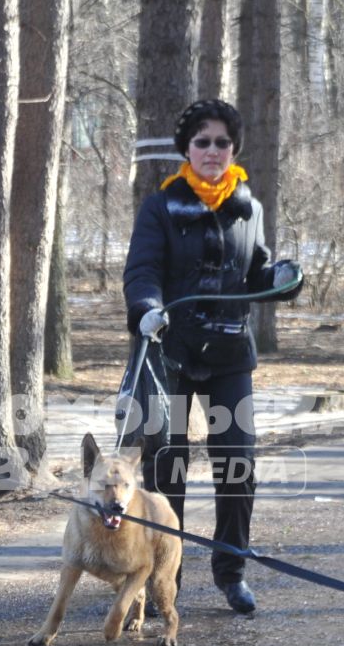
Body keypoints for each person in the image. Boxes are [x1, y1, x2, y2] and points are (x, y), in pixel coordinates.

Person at [123, 98, 301, 616]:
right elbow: (142, 270)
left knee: (238, 463)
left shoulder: (249, 205)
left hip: (229, 354)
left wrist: (282, 278)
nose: (213, 151)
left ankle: (232, 571)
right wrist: (147, 309)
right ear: (186, 148)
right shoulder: (161, 205)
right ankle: (162, 577)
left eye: (222, 142)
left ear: (234, 149)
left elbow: (258, 271)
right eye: (202, 141)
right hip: (170, 353)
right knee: (167, 466)